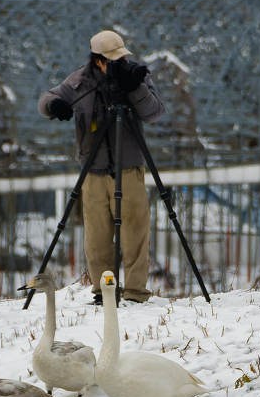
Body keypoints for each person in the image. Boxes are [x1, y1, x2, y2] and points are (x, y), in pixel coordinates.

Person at [38, 31, 166, 304]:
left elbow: (154, 112)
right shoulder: (80, 81)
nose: (120, 63)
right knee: (97, 236)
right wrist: (54, 106)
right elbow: (46, 99)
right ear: (98, 61)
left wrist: (134, 87)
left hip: (129, 167)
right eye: (113, 60)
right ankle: (103, 291)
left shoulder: (136, 75)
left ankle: (135, 292)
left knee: (135, 233)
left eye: (122, 58)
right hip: (93, 170)